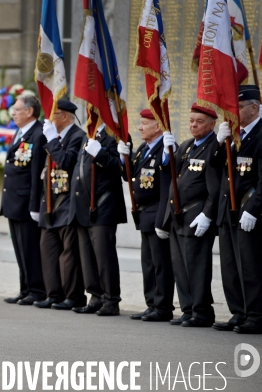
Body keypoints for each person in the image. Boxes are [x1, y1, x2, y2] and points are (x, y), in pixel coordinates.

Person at [161, 103, 222, 328]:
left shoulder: (215, 146)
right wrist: (168, 153)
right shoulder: (187, 146)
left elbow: (214, 188)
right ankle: (188, 309)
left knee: (197, 267)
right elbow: (173, 176)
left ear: (212, 124)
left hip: (196, 215)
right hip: (178, 215)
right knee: (180, 266)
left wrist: (207, 215)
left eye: (199, 121)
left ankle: (202, 311)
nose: (193, 125)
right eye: (191, 121)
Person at [213, 85, 262, 334]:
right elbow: (216, 167)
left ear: (254, 108)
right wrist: (219, 142)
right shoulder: (235, 134)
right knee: (231, 266)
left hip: (248, 209)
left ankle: (255, 314)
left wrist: (254, 208)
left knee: (250, 266)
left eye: (239, 107)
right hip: (228, 209)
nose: (234, 111)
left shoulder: (260, 134)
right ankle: (239, 312)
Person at [118, 109, 175, 322]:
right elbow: (129, 176)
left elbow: (167, 185)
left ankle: (163, 306)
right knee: (149, 263)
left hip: (156, 213)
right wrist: (124, 157)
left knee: (161, 263)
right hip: (144, 214)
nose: (140, 127)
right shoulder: (143, 148)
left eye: (144, 123)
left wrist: (163, 220)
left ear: (158, 126)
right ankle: (152, 303)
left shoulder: (166, 148)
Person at [68, 123, 127, 316]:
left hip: (103, 205)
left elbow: (121, 168)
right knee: (87, 256)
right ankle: (95, 296)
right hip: (84, 205)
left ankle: (111, 299)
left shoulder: (116, 133)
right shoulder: (90, 134)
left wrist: (100, 152)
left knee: (104, 257)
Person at [34, 100, 86, 310]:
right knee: (48, 250)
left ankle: (73, 296)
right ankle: (53, 293)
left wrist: (52, 141)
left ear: (64, 116)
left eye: (53, 114)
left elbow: (66, 161)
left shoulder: (78, 137)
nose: (48, 119)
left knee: (69, 254)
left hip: (67, 202)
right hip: (51, 201)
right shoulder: (53, 136)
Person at [1, 95, 47, 306]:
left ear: (29, 111)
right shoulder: (21, 133)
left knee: (30, 248)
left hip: (26, 202)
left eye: (17, 109)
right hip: (13, 200)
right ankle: (25, 288)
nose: (13, 112)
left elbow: (36, 172)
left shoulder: (38, 135)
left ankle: (37, 290)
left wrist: (34, 205)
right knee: (20, 248)